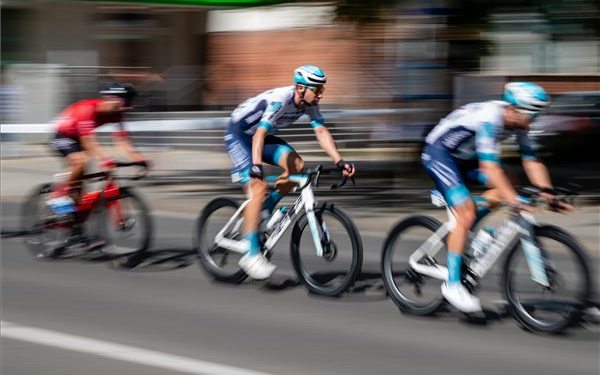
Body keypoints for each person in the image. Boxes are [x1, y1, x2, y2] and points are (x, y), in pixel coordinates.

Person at [421, 82, 572, 313]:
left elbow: (532, 161)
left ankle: (472, 232)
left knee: (511, 183)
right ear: (514, 109)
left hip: (466, 158)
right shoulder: (490, 118)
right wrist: (513, 200)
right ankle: (452, 285)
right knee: (468, 211)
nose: (535, 120)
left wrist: (548, 193)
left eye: (538, 114)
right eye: (533, 114)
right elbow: (490, 168)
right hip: (440, 154)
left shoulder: (520, 124)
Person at [224, 65, 356, 280]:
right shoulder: (281, 100)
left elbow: (321, 131)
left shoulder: (309, 103)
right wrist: (256, 167)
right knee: (257, 186)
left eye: (322, 89)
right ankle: (251, 254)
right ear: (301, 88)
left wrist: (339, 161)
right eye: (318, 89)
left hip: (261, 138)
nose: (321, 94)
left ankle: (263, 210)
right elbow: (259, 134)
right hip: (240, 135)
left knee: (297, 167)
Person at [47, 83, 148, 215]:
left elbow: (123, 141)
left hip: (79, 137)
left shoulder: (116, 115)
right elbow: (89, 142)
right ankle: (59, 195)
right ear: (112, 99)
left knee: (81, 185)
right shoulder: (87, 109)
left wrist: (138, 159)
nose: (129, 107)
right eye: (127, 101)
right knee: (80, 161)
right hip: (62, 135)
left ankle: (77, 224)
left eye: (131, 102)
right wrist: (104, 159)